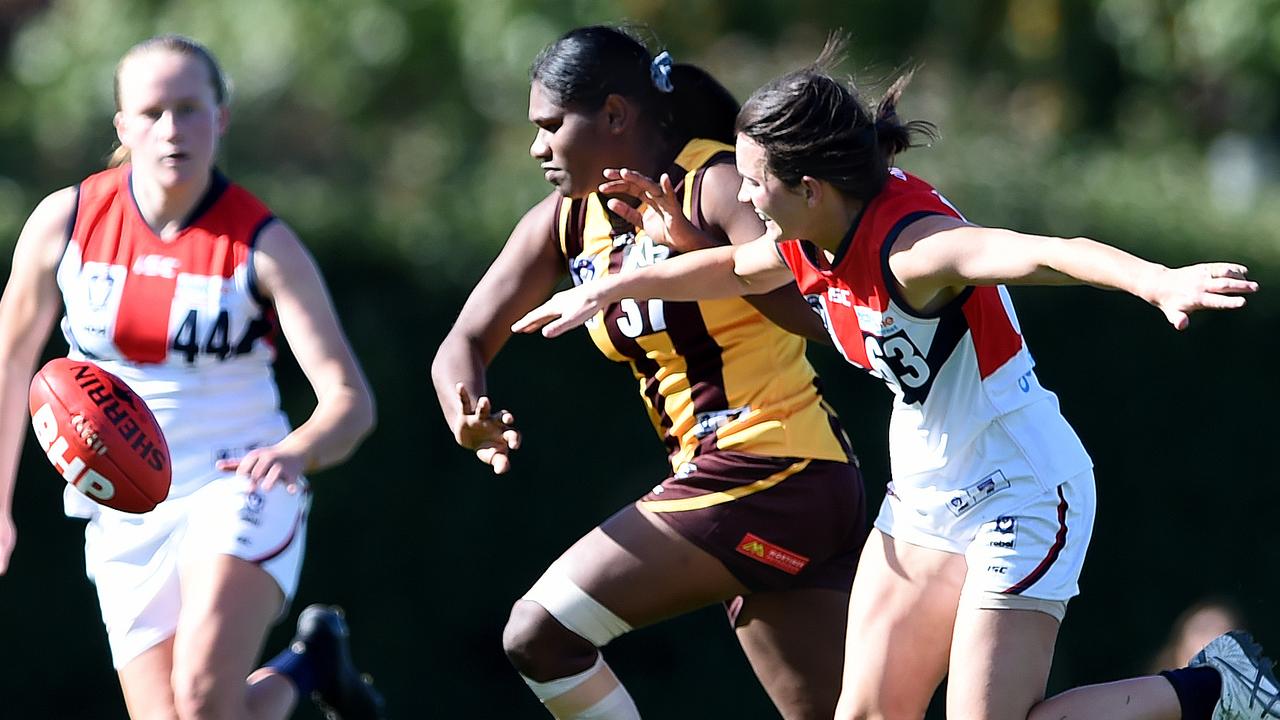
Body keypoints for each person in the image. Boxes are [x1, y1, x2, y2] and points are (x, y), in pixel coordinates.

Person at [513, 36, 1276, 720]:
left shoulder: (914, 249)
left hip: (1022, 486)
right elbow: (739, 269)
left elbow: (1048, 250)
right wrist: (613, 286)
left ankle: (1213, 689)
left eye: (753, 183)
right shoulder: (805, 233)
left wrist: (1156, 281)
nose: (740, 200)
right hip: (924, 493)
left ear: (810, 186)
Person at [432, 25, 867, 719]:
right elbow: (463, 340)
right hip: (765, 484)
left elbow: (825, 318)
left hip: (770, 467)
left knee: (539, 633)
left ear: (613, 115)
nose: (537, 147)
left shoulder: (719, 184)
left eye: (550, 125)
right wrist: (466, 413)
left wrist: (696, 254)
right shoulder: (565, 223)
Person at [0, 35, 384, 720]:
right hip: (122, 499)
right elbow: (10, 362)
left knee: (204, 698)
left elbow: (350, 402)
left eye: (190, 108)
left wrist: (294, 451)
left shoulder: (264, 245)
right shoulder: (66, 222)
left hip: (239, 481)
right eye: (151, 112)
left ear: (221, 117)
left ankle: (308, 665)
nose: (172, 129)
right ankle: (311, 667)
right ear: (122, 126)